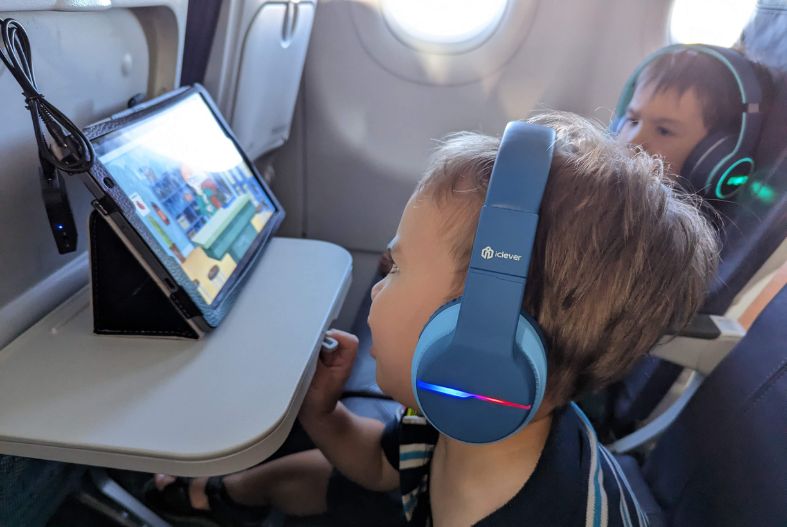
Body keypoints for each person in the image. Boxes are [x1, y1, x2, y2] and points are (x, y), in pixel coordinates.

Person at [148, 111, 718, 526]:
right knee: (311, 475)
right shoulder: (469, 408)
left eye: (393, 268)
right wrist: (323, 414)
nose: (376, 286)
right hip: (423, 505)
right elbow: (382, 465)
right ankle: (224, 497)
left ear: (479, 336)